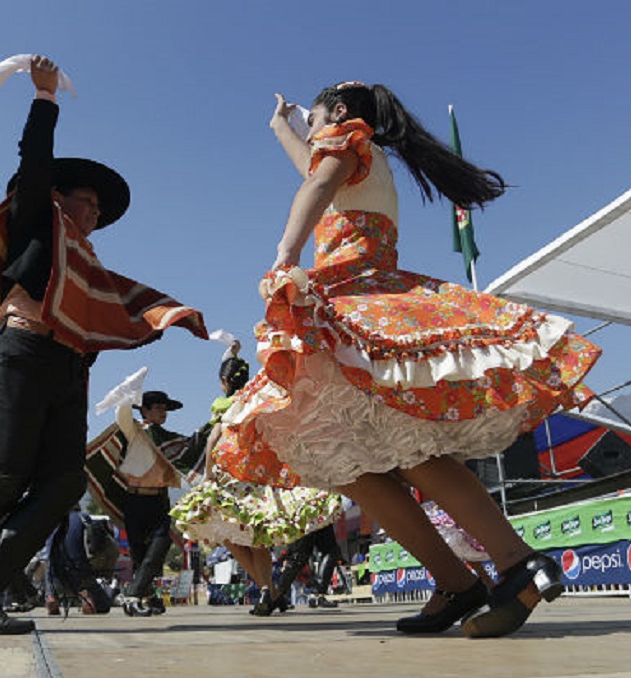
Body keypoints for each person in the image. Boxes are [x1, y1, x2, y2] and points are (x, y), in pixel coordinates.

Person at [215, 83, 601, 638]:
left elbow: (318, 179)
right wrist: (283, 126)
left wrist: (284, 256)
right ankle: (457, 579)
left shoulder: (349, 141)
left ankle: (512, 564)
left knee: (404, 449)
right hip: (356, 300)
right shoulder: (362, 157)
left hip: (361, 301)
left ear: (340, 116)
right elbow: (315, 172)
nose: (314, 131)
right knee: (352, 459)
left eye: (316, 120)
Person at [0, 55, 206, 635]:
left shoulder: (90, 268)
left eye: (99, 208)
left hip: (69, 368)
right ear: (55, 197)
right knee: (5, 476)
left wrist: (169, 313)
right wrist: (44, 98)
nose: (94, 213)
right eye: (86, 202)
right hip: (19, 353)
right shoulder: (36, 225)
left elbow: (120, 304)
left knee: (65, 483)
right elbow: (35, 163)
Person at [170, 342, 342, 616]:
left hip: (229, 477)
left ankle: (268, 589)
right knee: (255, 537)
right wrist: (232, 355)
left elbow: (214, 438)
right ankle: (269, 591)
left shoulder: (223, 406)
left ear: (224, 381)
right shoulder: (254, 399)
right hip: (255, 476)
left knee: (232, 538)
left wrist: (209, 473)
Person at [119, 390, 183, 617]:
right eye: (157, 407)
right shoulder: (136, 431)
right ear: (144, 410)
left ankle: (134, 595)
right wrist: (130, 392)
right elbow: (122, 415)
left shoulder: (167, 438)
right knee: (139, 552)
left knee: (161, 543)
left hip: (159, 498)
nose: (162, 412)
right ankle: (147, 598)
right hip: (135, 498)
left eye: (164, 408)